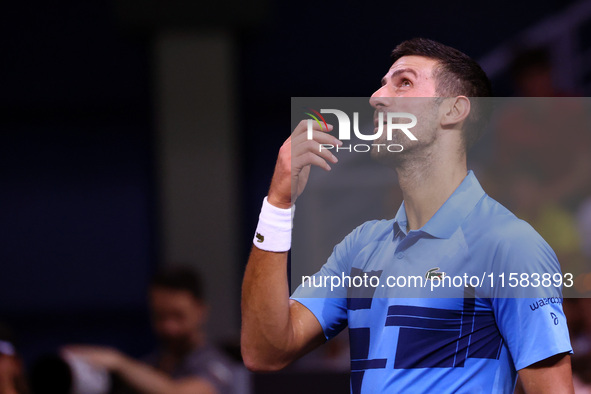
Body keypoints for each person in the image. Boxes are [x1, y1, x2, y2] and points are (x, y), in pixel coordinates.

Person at [241, 38, 574, 393]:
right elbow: (266, 350)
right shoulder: (360, 247)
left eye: (404, 83)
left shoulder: (509, 244)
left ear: (453, 110)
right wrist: (278, 204)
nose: (377, 97)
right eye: (384, 83)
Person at [65, 266, 239, 394]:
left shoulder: (217, 365)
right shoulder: (148, 366)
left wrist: (119, 362)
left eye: (178, 316)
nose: (169, 327)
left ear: (201, 311)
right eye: (160, 316)